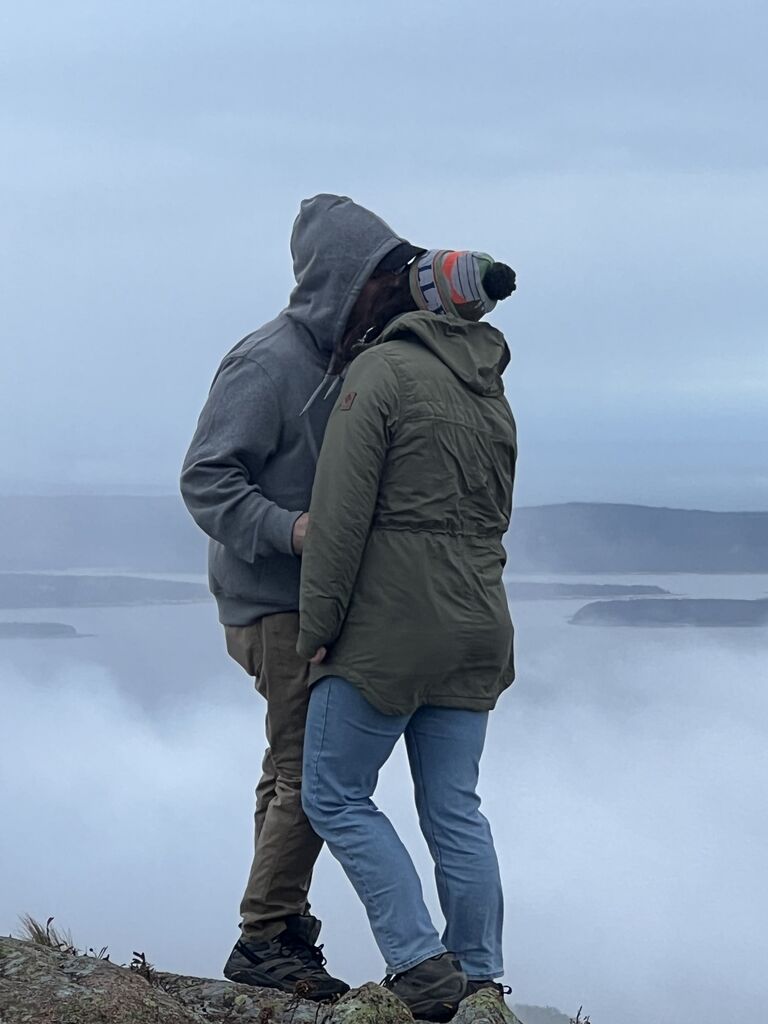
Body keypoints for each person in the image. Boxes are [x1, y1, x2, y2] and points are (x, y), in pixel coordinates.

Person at [180, 194, 423, 1000]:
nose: (391, 292)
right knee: (310, 772)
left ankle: (277, 926)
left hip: (306, 598)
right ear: (343, 280)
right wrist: (294, 531)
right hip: (272, 602)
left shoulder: (344, 357)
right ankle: (262, 940)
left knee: (286, 769)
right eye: (381, 278)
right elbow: (206, 479)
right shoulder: (266, 363)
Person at [297, 248, 517, 1022]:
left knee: (333, 791)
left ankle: (419, 963)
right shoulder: (491, 390)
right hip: (479, 623)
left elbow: (340, 517)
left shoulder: (382, 373)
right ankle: (482, 975)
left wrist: (319, 628)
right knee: (455, 806)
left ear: (418, 298)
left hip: (392, 626)